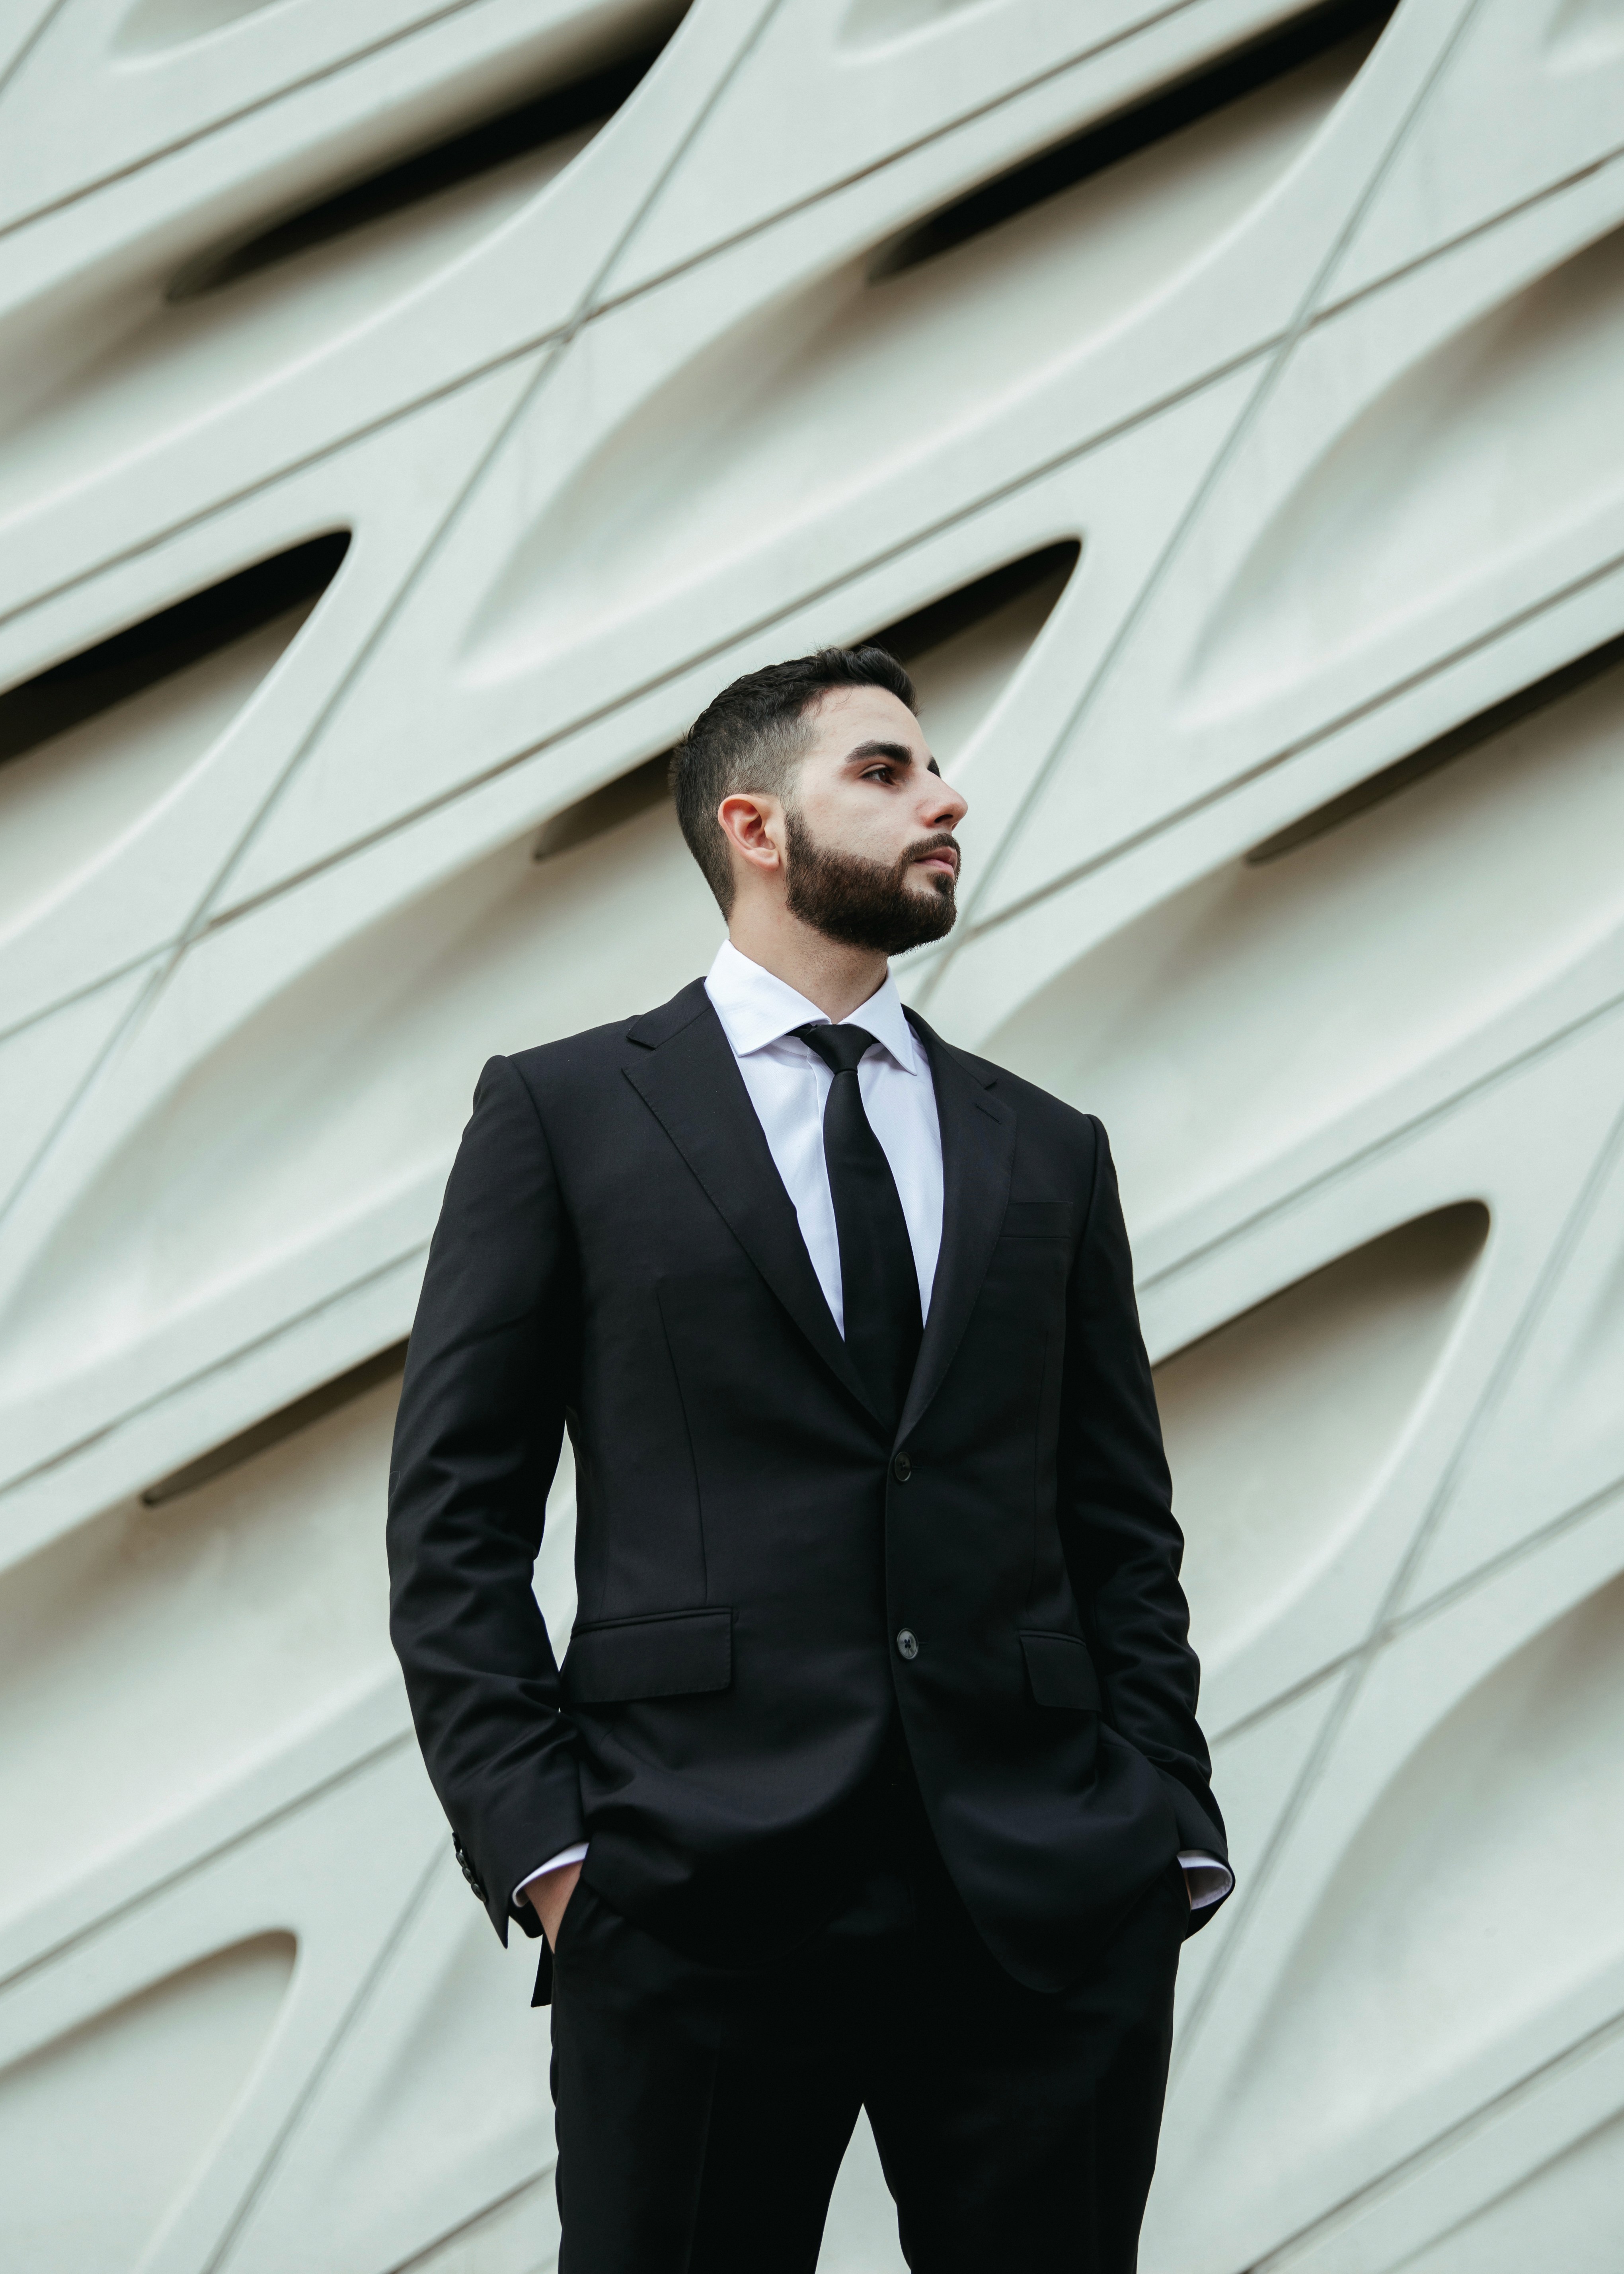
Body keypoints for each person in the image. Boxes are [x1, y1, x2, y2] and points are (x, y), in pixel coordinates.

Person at [387, 644, 1231, 2272]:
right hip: (688, 1892)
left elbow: (1118, 1519)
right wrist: (556, 1857)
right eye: (890, 769)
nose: (947, 798)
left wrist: (1160, 1824)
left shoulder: (1043, 1147)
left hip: (1040, 1902)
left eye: (934, 770)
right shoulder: (563, 1115)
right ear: (756, 826)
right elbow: (455, 1522)